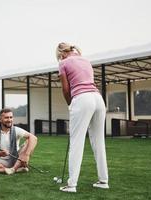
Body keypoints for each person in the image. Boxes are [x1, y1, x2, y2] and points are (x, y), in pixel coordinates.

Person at [56, 42, 109, 192]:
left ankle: (72, 185)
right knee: (99, 141)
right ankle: (103, 181)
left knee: (76, 142)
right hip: (98, 99)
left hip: (82, 99)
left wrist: (70, 104)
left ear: (61, 54)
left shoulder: (63, 63)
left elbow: (66, 89)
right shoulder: (86, 60)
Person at [0, 108, 38, 175]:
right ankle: (15, 169)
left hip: (17, 159)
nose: (9, 120)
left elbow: (34, 138)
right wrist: (0, 153)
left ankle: (13, 169)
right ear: (0, 119)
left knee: (28, 142)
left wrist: (26, 155)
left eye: (11, 117)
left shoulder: (16, 130)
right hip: (1, 161)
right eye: (6, 118)